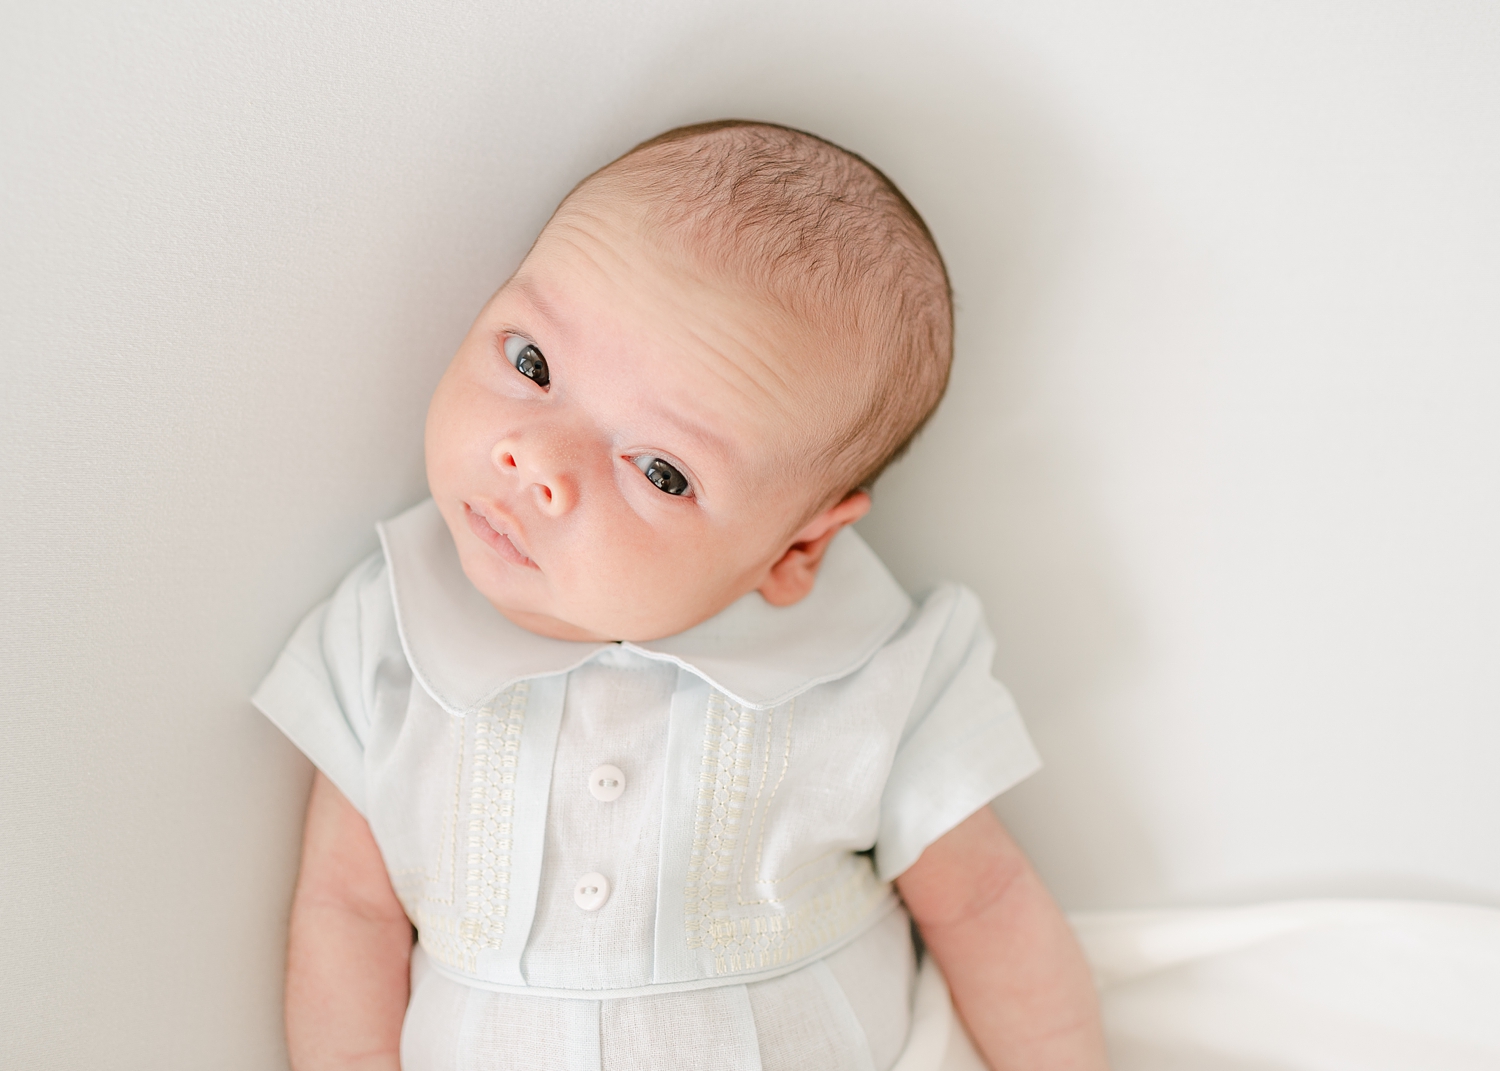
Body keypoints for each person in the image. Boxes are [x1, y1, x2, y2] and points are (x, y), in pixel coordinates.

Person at [253, 120, 1108, 1071]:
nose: (534, 460)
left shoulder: (875, 667)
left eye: (660, 471)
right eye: (530, 363)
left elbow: (985, 902)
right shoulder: (387, 636)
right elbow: (349, 912)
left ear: (796, 548)